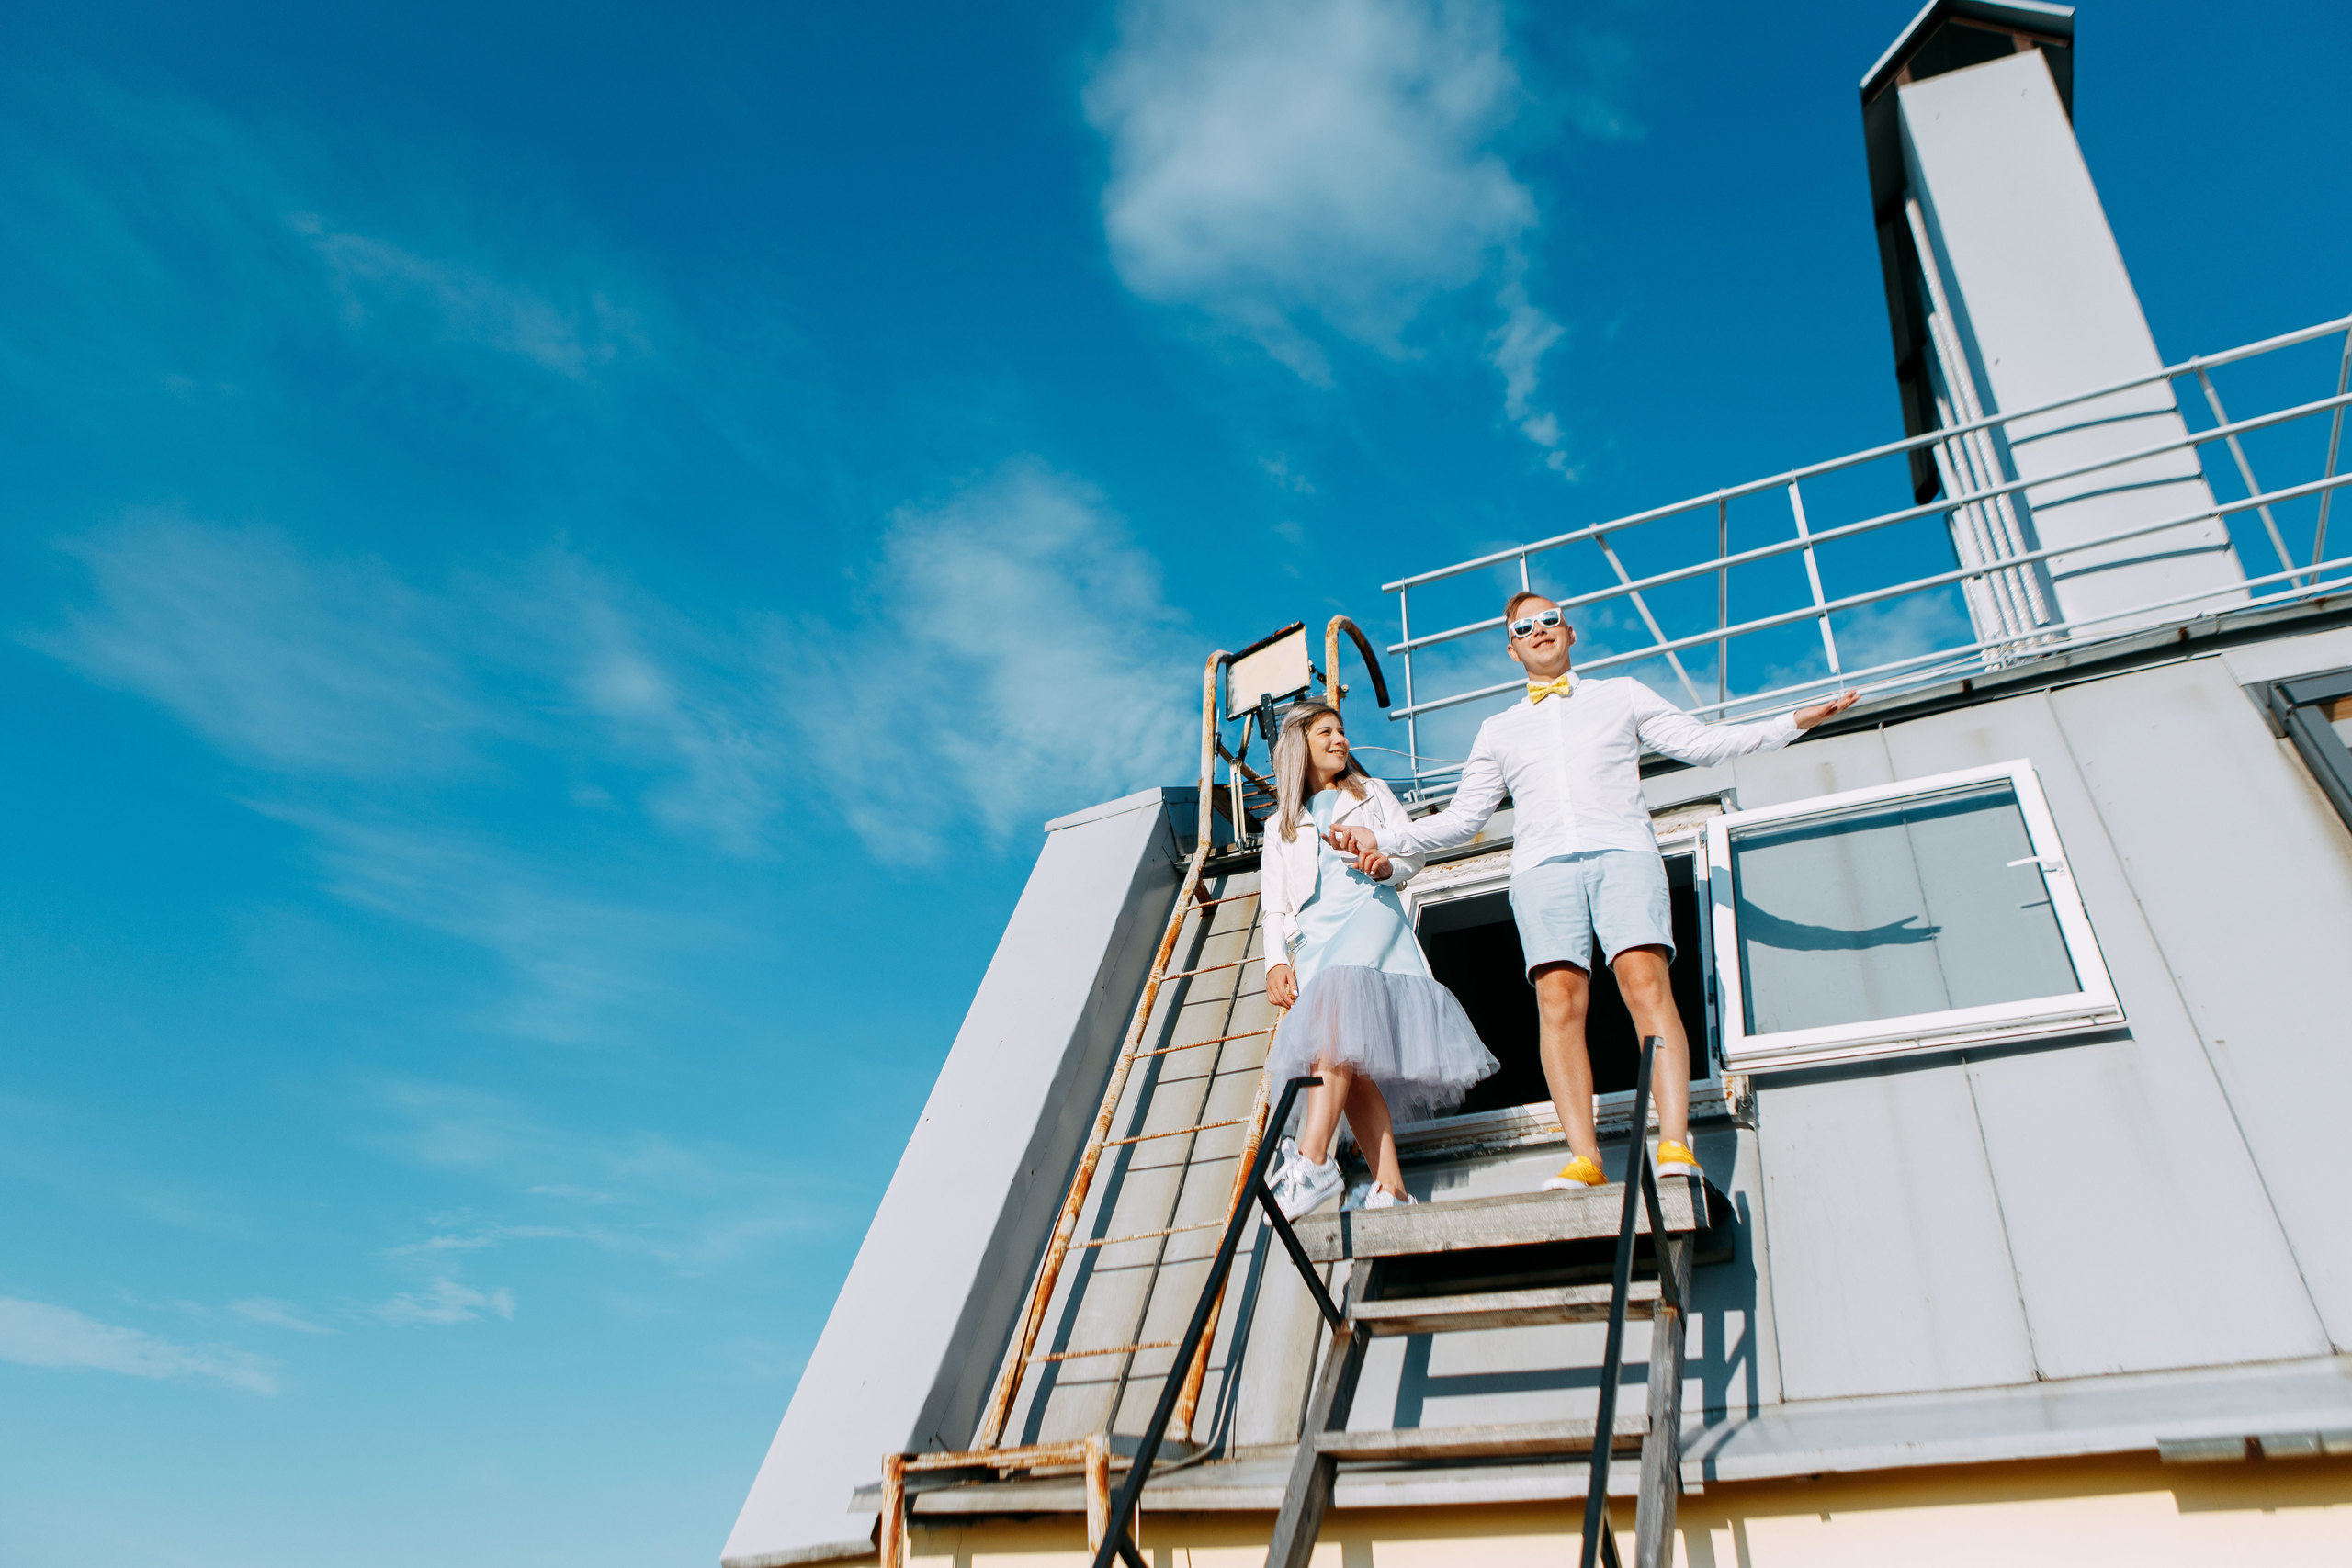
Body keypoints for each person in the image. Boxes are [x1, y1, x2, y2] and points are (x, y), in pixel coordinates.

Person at [1332, 592, 1857, 1191]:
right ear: (1511, 648)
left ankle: (1676, 1146)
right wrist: (1387, 835)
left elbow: (1703, 744)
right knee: (1558, 1002)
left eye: (1549, 619)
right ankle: (1584, 1158)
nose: (1539, 630)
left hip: (1624, 853)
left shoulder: (1622, 693)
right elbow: (1463, 817)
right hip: (1541, 870)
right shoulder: (1498, 728)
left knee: (1645, 984)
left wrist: (1790, 723)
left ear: (1570, 631)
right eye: (1523, 626)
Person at [1259, 701, 1497, 1219]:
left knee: (1340, 1029)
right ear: (1300, 745)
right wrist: (1276, 962)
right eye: (1325, 732)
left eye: (1341, 731)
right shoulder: (1279, 825)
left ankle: (1314, 1158)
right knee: (1350, 1064)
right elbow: (1273, 905)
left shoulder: (1373, 794)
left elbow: (1413, 853)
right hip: (1315, 940)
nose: (1339, 739)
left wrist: (1386, 863)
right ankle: (1392, 1188)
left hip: (1368, 912)